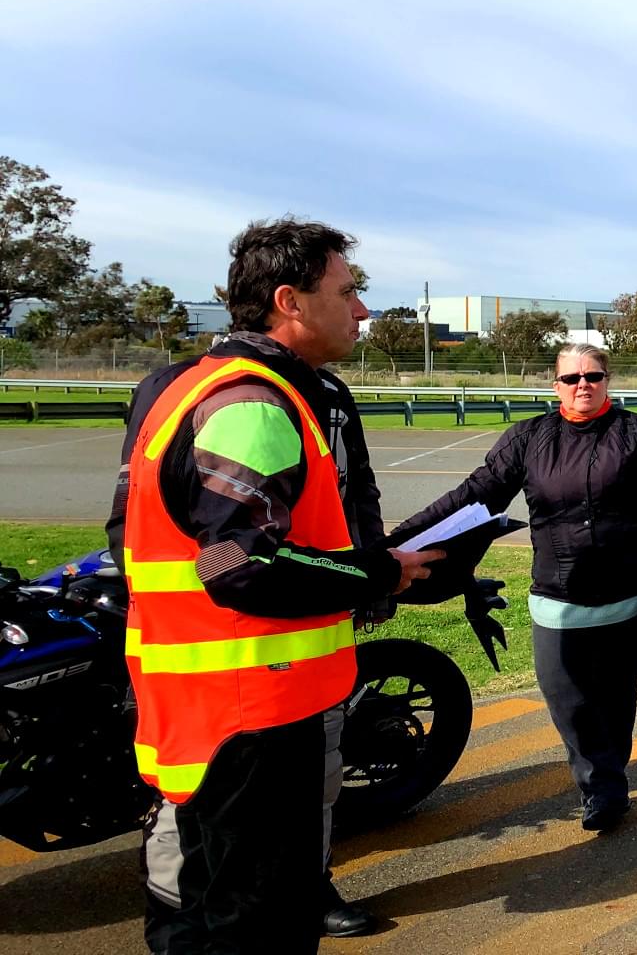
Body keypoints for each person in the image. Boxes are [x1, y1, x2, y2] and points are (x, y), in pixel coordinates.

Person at [114, 219, 441, 954]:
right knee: (261, 928)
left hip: (199, 707)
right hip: (254, 716)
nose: (361, 310)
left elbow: (132, 538)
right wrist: (381, 571)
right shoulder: (254, 404)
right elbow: (240, 565)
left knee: (196, 916)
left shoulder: (190, 387)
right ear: (290, 302)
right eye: (348, 290)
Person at [390, 343, 637, 833]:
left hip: (625, 596)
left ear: (608, 381)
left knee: (616, 697)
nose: (583, 385)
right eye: (571, 377)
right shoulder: (529, 438)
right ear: (555, 386)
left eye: (593, 376)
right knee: (568, 699)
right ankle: (599, 779)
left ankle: (607, 790)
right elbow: (474, 495)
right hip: (555, 596)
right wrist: (395, 543)